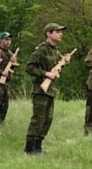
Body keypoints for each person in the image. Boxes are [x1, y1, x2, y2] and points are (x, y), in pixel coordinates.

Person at [24, 23, 71, 154]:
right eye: (57, 31)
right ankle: (30, 147)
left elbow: (56, 67)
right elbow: (29, 67)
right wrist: (45, 74)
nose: (61, 34)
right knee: (38, 118)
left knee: (47, 119)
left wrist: (64, 62)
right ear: (48, 34)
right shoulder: (42, 50)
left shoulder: (55, 51)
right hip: (40, 90)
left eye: (61, 31)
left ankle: (38, 146)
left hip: (50, 89)